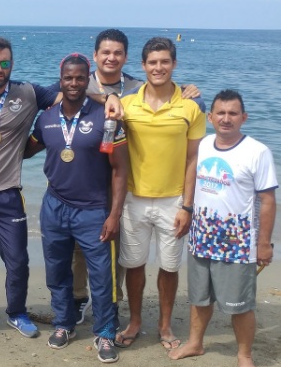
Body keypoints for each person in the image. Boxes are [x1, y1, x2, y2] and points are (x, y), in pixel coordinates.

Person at [0, 37, 121, 340]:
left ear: (12, 64)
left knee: (17, 260)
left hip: (7, 191)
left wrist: (108, 98)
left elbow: (71, 93)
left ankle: (16, 312)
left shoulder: (28, 93)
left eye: (4, 62)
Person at [69, 29, 201, 324]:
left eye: (117, 53)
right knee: (82, 245)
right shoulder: (79, 79)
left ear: (127, 58)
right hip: (88, 177)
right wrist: (108, 98)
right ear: (95, 56)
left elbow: (184, 119)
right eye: (105, 52)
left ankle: (113, 303)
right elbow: (57, 94)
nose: (111, 57)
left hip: (124, 181)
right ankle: (79, 298)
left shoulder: (137, 88)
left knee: (119, 249)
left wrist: (190, 91)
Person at [24, 54, 129, 363]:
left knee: (102, 277)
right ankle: (63, 323)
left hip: (94, 210)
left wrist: (114, 215)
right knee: (57, 271)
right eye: (68, 78)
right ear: (60, 79)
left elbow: (120, 170)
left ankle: (106, 332)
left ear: (88, 80)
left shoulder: (107, 118)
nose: (73, 83)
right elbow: (27, 149)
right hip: (54, 206)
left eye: (80, 78)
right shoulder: (46, 117)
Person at [169, 89, 277, 367]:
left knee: (239, 303)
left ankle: (244, 355)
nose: (226, 119)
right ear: (210, 116)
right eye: (220, 113)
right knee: (199, 297)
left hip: (237, 243)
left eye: (232, 113)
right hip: (201, 235)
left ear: (244, 117)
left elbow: (267, 200)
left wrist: (263, 243)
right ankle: (195, 343)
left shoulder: (257, 151)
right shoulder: (202, 145)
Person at [115, 38, 206, 350]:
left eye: (164, 62)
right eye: (152, 62)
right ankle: (136, 320)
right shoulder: (126, 104)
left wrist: (188, 206)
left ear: (174, 64)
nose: (158, 67)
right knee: (134, 264)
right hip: (132, 197)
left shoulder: (191, 107)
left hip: (173, 200)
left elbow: (193, 159)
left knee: (169, 267)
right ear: (143, 66)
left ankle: (165, 325)